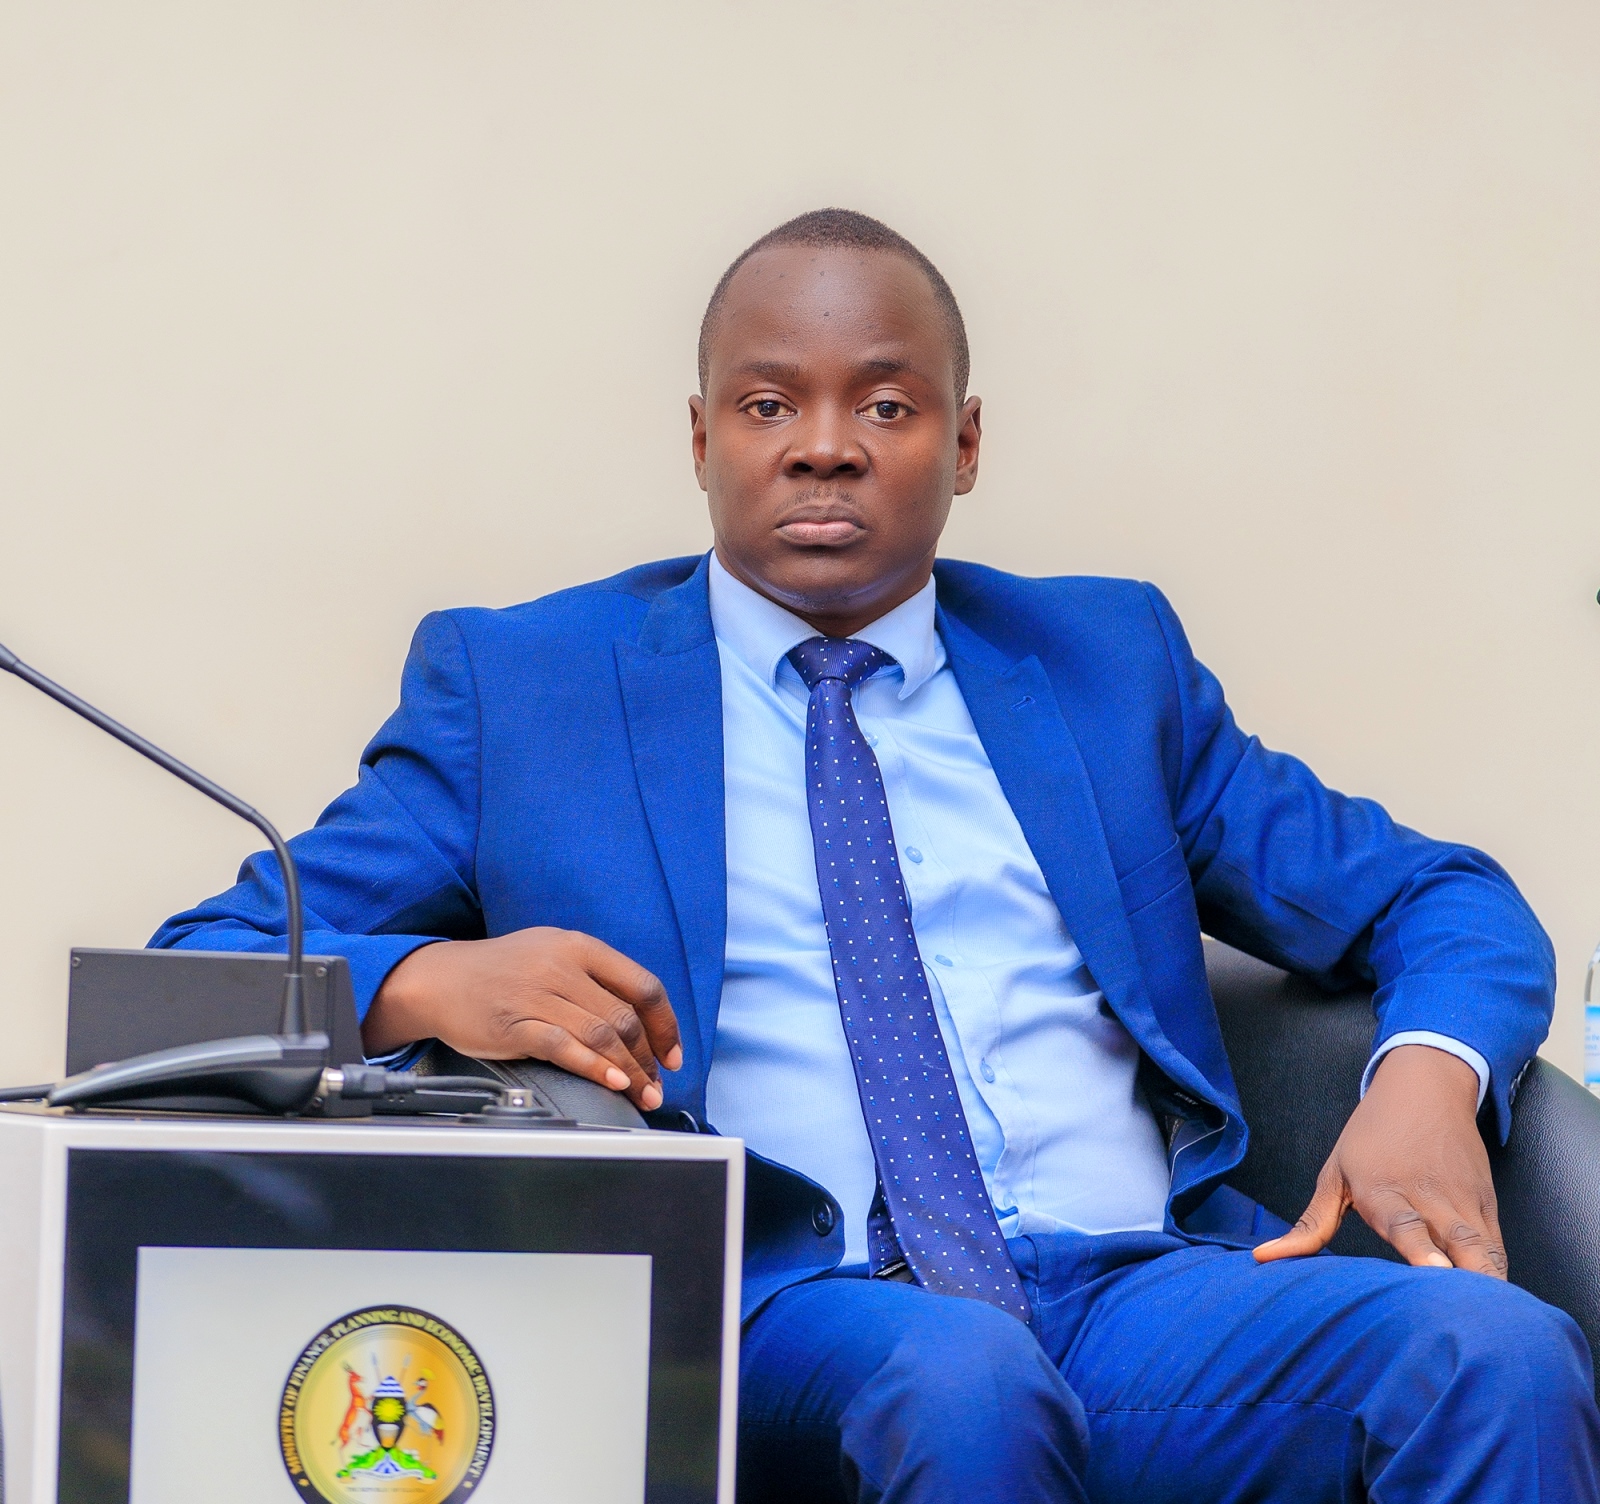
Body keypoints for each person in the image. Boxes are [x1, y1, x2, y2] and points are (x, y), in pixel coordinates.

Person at [155, 208, 1600, 1502]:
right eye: (770, 401)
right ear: (704, 439)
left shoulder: (1103, 666)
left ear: (966, 444)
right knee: (961, 1381)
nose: (825, 442)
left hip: (1135, 1294)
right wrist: (424, 983)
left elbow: (1440, 895)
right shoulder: (524, 689)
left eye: (887, 403)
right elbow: (186, 980)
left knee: (1495, 1350)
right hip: (777, 1308)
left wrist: (1427, 1080)